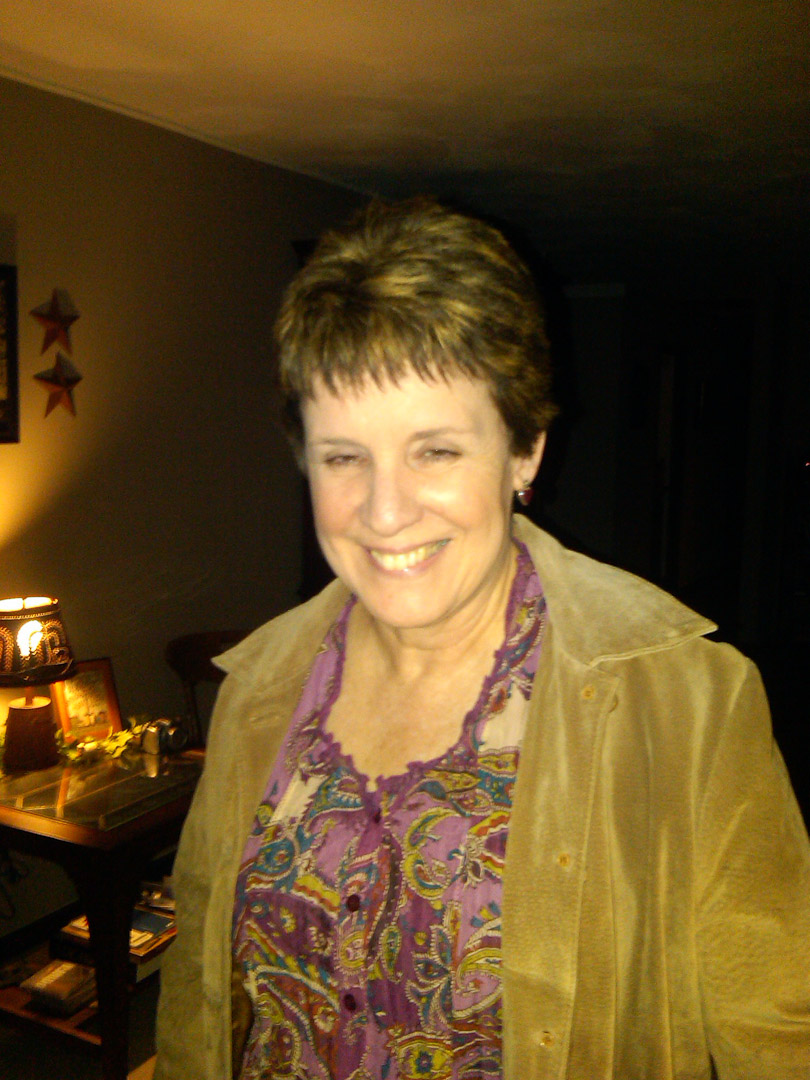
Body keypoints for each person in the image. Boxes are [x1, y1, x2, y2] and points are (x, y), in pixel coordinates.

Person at [154, 198, 810, 1080]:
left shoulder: (687, 702)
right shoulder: (255, 691)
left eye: (435, 451)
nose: (385, 512)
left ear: (526, 449)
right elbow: (196, 998)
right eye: (344, 457)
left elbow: (781, 1033)